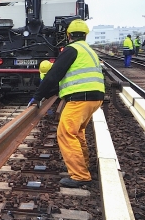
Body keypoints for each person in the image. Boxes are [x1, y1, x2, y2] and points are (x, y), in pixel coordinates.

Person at [27, 19, 104, 188]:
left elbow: (54, 75)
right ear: (85, 35)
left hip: (81, 98)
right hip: (95, 97)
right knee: (77, 132)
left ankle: (80, 175)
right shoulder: (89, 51)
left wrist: (38, 95)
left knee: (66, 133)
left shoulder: (71, 50)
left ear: (68, 35)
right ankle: (83, 165)